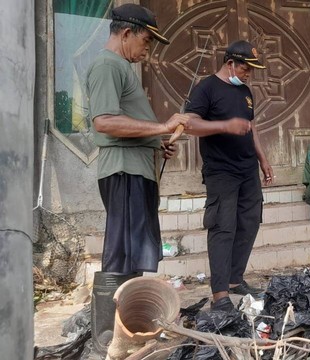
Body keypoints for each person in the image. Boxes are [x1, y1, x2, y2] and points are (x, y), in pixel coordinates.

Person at [86, 3, 189, 352]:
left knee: (133, 255)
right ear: (127, 33)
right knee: (119, 253)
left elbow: (126, 123)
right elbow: (104, 122)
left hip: (137, 169)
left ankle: (126, 328)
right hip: (124, 171)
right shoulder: (106, 65)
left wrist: (157, 141)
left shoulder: (122, 68)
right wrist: (161, 126)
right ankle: (105, 338)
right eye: (146, 40)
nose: (148, 48)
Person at [184, 40, 273, 311]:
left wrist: (263, 159)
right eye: (246, 68)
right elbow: (189, 124)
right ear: (230, 63)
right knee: (223, 227)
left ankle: (235, 280)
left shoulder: (245, 92)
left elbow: (252, 128)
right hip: (221, 170)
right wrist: (224, 125)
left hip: (247, 169)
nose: (250, 74)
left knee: (249, 222)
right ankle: (220, 294)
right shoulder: (206, 88)